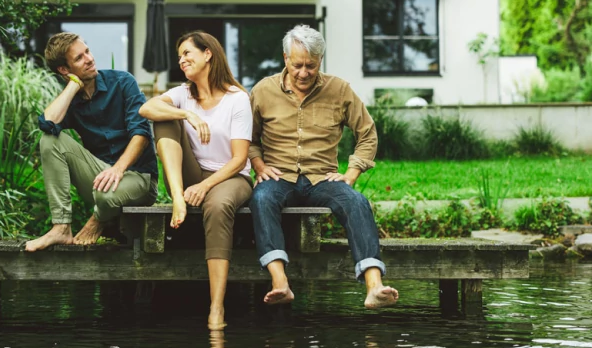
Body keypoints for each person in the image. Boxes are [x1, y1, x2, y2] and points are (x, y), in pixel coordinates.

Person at [248, 24, 399, 309]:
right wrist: (258, 164)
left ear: (320, 62)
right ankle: (280, 282)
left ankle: (374, 286)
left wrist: (352, 172)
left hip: (323, 177)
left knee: (356, 202)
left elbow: (367, 133)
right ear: (285, 59)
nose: (303, 73)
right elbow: (248, 138)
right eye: (297, 65)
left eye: (311, 66)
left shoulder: (339, 90)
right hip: (279, 176)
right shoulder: (263, 91)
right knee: (261, 198)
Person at [139, 31, 253, 330]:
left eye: (187, 53)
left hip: (230, 175)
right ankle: (177, 197)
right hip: (187, 175)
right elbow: (146, 108)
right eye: (179, 56)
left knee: (216, 208)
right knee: (164, 119)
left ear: (208, 54)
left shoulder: (237, 99)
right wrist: (187, 116)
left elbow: (240, 158)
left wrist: (205, 186)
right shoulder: (182, 94)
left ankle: (216, 307)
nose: (182, 60)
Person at [26, 32, 158, 252]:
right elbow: (48, 124)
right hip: (101, 180)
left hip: (138, 178)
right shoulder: (72, 100)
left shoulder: (123, 82)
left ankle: (97, 220)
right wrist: (72, 86)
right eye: (79, 58)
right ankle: (61, 227)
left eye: (87, 51)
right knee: (50, 140)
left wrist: (118, 169)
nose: (89, 58)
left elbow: (141, 134)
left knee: (106, 194)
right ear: (64, 70)